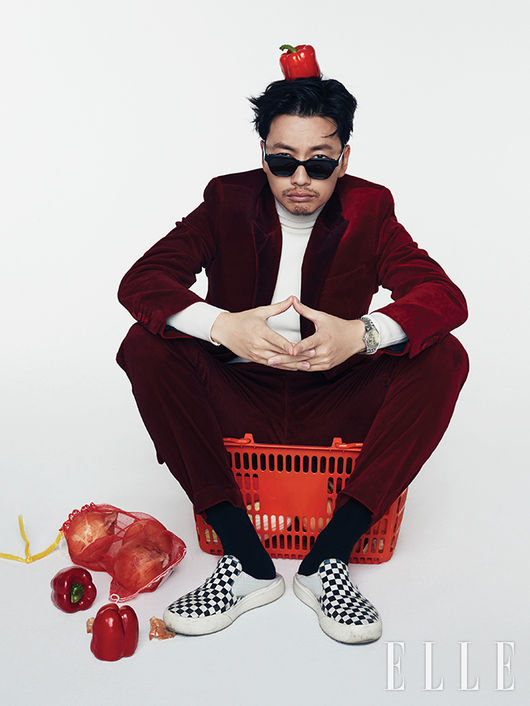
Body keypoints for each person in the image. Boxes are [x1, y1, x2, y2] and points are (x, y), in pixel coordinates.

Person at [115, 76, 469, 644]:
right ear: (263, 155)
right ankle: (244, 557)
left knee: (444, 356)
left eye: (320, 162)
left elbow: (443, 297)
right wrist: (223, 325)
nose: (300, 178)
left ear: (344, 159)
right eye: (283, 161)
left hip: (334, 397)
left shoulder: (370, 209)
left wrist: (362, 334)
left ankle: (329, 557)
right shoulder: (227, 200)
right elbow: (144, 280)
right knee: (145, 344)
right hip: (239, 395)